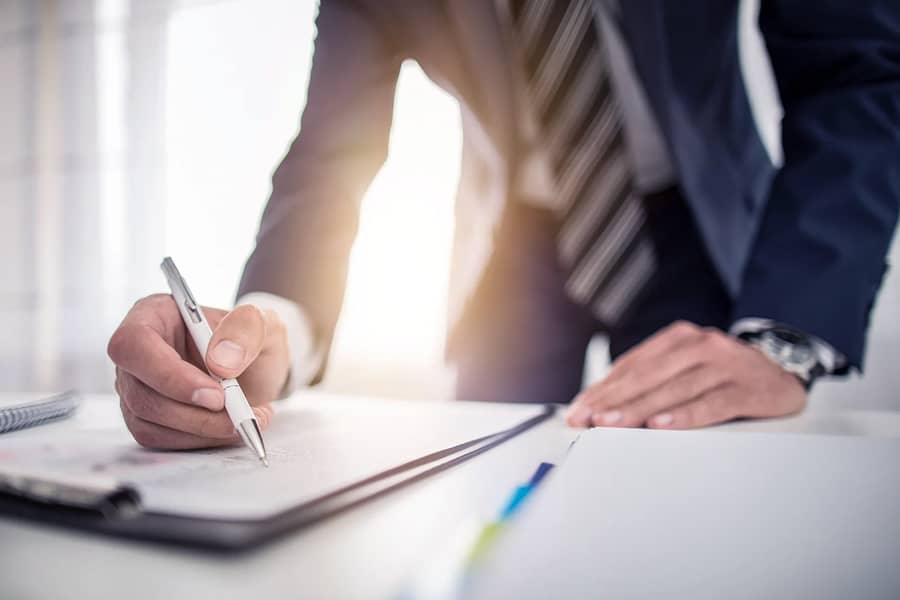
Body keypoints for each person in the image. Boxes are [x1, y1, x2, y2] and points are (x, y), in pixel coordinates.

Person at [108, 0, 900, 449]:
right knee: (484, 470)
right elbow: (330, 155)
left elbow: (854, 73)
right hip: (511, 249)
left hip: (697, 228)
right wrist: (267, 329)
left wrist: (783, 334)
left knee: (699, 469)